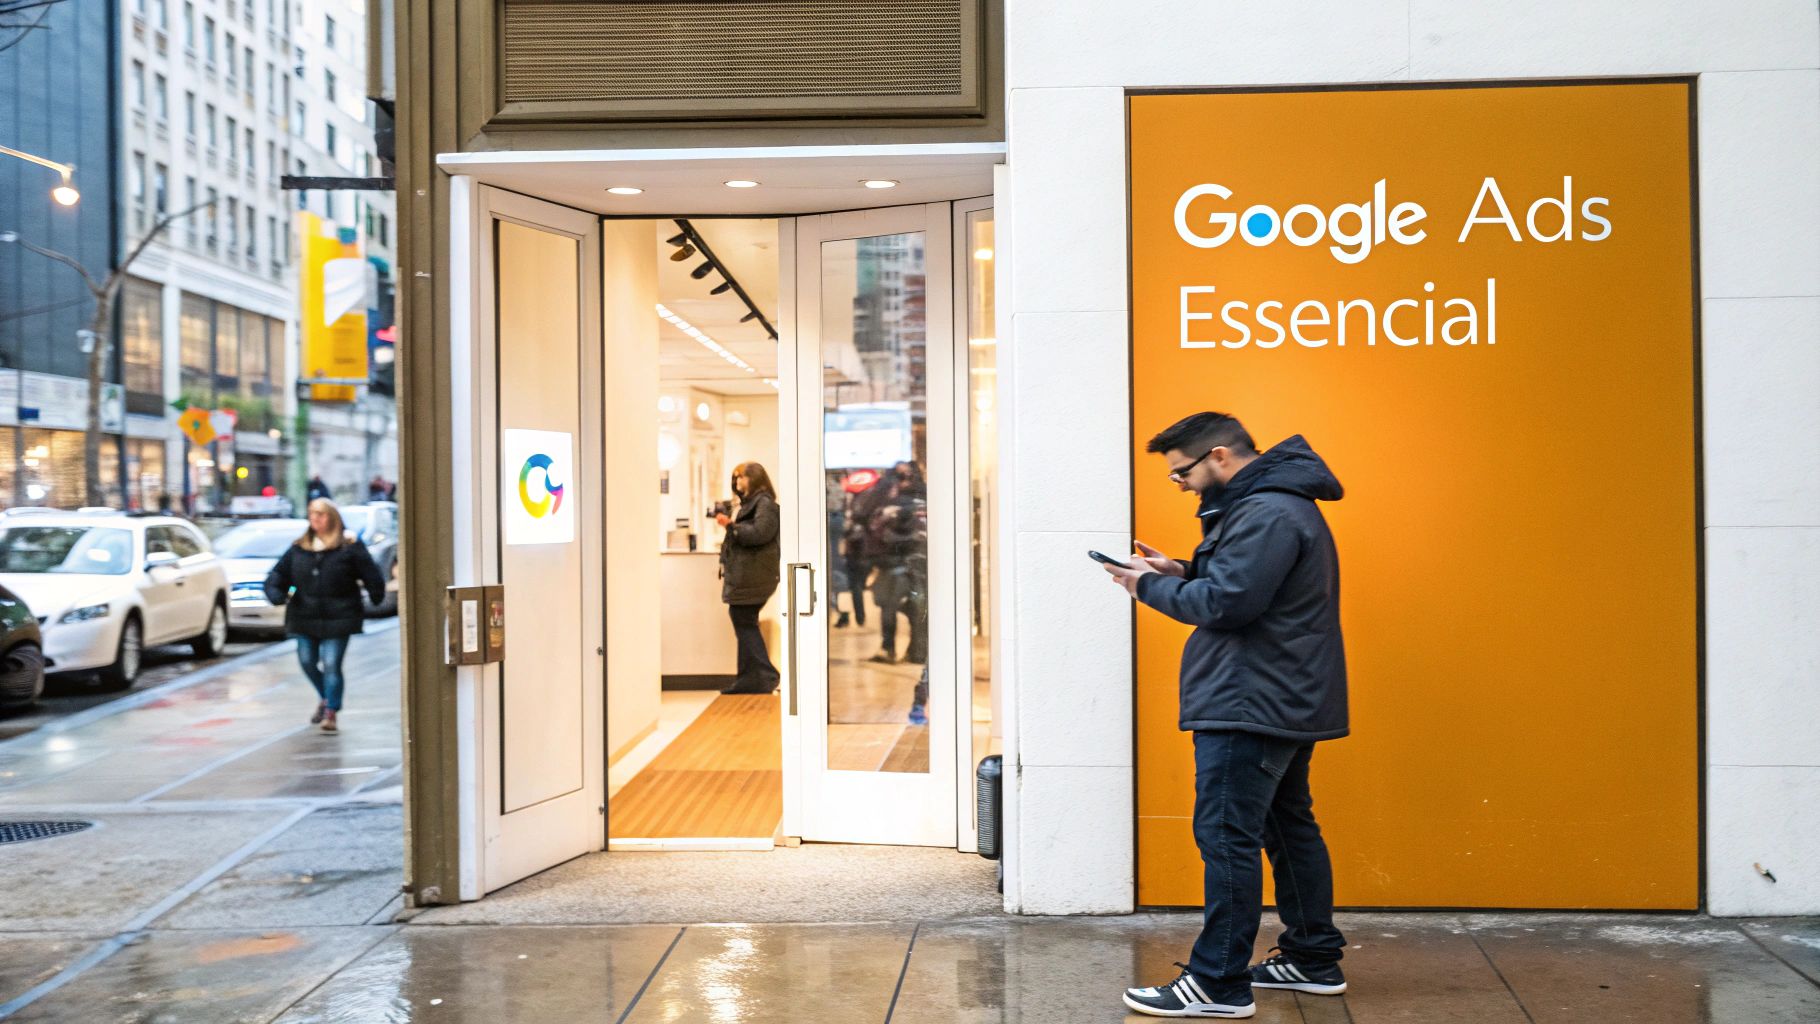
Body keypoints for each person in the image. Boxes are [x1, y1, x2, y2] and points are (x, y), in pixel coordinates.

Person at [1103, 412, 1350, 1019]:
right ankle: (1312, 957)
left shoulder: (1266, 511)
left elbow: (1228, 604)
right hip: (1279, 695)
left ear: (1218, 456)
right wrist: (1179, 571)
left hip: (1250, 701)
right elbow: (1247, 585)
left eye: (1181, 472)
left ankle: (1217, 982)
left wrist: (1144, 589)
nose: (1179, 484)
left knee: (1226, 836)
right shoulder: (1273, 505)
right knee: (1287, 828)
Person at [264, 498, 387, 734]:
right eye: (312, 515)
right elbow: (278, 576)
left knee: (331, 664)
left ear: (332, 518)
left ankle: (331, 711)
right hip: (303, 614)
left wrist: (376, 594)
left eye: (321, 515)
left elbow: (370, 573)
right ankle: (326, 697)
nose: (316, 520)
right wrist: (277, 594)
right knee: (307, 661)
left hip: (339, 615)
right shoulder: (300, 547)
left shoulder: (348, 546)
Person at [715, 462, 781, 695]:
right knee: (744, 619)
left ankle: (765, 674)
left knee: (743, 619)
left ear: (754, 478)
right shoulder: (752, 504)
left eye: (741, 477)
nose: (737, 482)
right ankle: (749, 678)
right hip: (748, 573)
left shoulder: (765, 504)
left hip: (754, 574)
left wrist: (731, 525)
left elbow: (760, 534)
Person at [868, 461, 928, 665]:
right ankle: (916, 652)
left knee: (892, 608)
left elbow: (881, 533)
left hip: (898, 563)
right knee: (916, 609)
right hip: (916, 563)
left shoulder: (891, 504)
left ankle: (892, 649)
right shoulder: (926, 500)